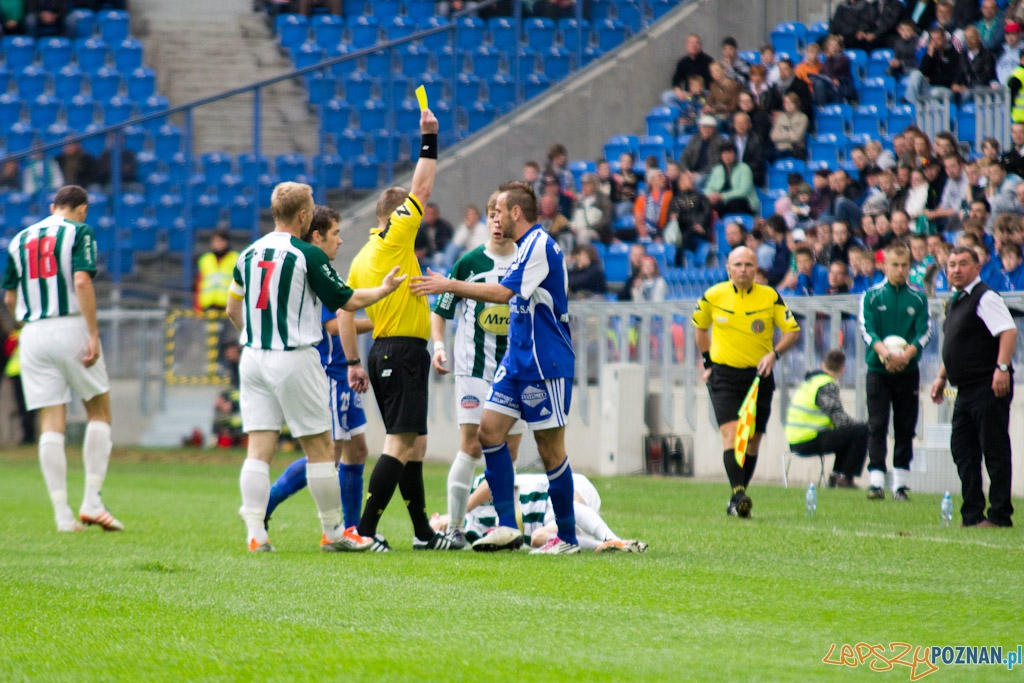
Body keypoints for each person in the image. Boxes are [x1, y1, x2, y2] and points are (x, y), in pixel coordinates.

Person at [227, 182, 404, 553]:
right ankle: (334, 532)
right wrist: (386, 290)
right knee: (322, 448)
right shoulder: (306, 254)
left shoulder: (248, 253)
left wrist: (257, 337)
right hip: (293, 356)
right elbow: (349, 299)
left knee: (259, 449)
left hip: (253, 358)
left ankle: (256, 536)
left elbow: (232, 309)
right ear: (304, 215)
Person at [411, 182, 581, 554]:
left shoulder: (538, 246)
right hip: (516, 361)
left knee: (550, 450)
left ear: (515, 213)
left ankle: (566, 537)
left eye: (499, 211)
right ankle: (506, 525)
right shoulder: (522, 248)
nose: (495, 218)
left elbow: (504, 294)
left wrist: (449, 284)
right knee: (487, 433)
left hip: (544, 360)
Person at [339, 109, 453, 552]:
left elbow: (347, 311)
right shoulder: (394, 240)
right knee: (399, 442)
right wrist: (429, 139)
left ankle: (423, 532)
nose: (417, 213)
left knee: (417, 445)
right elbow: (422, 187)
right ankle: (363, 530)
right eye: (410, 211)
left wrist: (353, 360)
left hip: (387, 352)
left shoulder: (363, 255)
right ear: (396, 214)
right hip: (401, 352)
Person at [1, 185, 120, 533]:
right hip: (70, 325)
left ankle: (61, 515)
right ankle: (93, 501)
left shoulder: (19, 239)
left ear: (53, 206)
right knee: (99, 410)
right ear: (82, 209)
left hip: (33, 332)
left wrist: (28, 326)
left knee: (51, 419)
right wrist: (93, 333)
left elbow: (9, 298)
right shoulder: (79, 232)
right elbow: (82, 281)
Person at [261, 206, 375, 531]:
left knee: (356, 448)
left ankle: (354, 529)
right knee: (329, 453)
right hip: (332, 373)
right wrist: (382, 323)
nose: (340, 241)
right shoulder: (313, 267)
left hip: (341, 373)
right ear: (316, 235)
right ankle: (265, 504)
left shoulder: (321, 266)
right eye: (335, 234)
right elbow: (336, 323)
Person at [430, 193, 527, 549]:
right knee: (472, 446)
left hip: (516, 371)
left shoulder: (526, 261)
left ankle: (506, 526)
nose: (497, 222)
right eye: (492, 215)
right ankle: (455, 526)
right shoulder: (469, 262)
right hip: (474, 368)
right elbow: (440, 310)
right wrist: (438, 346)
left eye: (502, 215)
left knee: (509, 453)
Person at [693, 246, 801, 517]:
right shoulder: (712, 295)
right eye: (738, 265)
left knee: (752, 440)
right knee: (731, 434)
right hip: (724, 375)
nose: (743, 270)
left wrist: (774, 354)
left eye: (749, 265)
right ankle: (739, 494)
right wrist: (708, 363)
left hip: (759, 376)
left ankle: (736, 497)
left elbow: (792, 331)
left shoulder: (770, 296)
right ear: (728, 269)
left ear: (756, 269)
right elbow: (700, 329)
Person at [930, 246, 1016, 527]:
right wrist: (942, 376)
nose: (955, 269)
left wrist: (1001, 368)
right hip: (964, 388)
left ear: (976, 267)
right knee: (963, 451)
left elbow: (1008, 331)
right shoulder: (956, 300)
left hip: (988, 385)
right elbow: (954, 344)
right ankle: (972, 515)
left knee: (994, 450)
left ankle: (1000, 515)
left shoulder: (985, 297)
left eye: (962, 263)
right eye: (951, 264)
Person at [858, 241, 932, 502]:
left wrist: (905, 356)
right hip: (878, 369)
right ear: (884, 265)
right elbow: (867, 330)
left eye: (904, 265)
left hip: (907, 370)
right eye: (895, 265)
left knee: (905, 425)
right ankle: (876, 481)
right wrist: (887, 354)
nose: (900, 270)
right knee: (877, 423)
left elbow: (924, 332)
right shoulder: (872, 296)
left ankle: (899, 483)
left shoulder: (918, 297)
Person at [430, 472, 647, 553]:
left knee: (570, 508)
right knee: (538, 538)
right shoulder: (470, 537)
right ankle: (609, 546)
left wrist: (454, 515)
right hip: (545, 521)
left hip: (557, 490)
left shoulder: (471, 497)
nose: (437, 531)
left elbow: (494, 480)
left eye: (432, 527)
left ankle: (614, 538)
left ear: (435, 516)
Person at [786, 350, 869, 488]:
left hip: (795, 439)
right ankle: (844, 479)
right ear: (842, 368)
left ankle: (837, 477)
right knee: (861, 431)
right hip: (809, 439)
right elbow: (840, 420)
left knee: (847, 434)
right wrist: (865, 425)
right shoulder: (826, 385)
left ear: (823, 365)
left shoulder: (809, 382)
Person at [704, 141, 759, 216]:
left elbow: (744, 191)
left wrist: (722, 196)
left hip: (742, 201)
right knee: (702, 203)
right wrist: (711, 196)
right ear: (721, 155)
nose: (727, 156)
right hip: (720, 202)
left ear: (735, 155)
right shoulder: (717, 169)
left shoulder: (744, 168)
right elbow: (708, 187)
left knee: (734, 203)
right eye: (724, 153)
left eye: (730, 153)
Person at [664, 34, 714, 107]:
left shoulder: (708, 61)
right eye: (691, 43)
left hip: (703, 94)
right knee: (666, 96)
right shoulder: (682, 62)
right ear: (687, 46)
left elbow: (712, 83)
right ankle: (682, 114)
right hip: (688, 94)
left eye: (696, 43)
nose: (693, 45)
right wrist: (678, 91)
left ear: (700, 45)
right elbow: (676, 80)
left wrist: (697, 92)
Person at [194, 229, 238, 312]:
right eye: (215, 241)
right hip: (208, 305)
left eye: (221, 241)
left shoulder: (235, 258)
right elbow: (199, 284)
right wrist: (198, 307)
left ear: (226, 242)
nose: (218, 244)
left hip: (228, 306)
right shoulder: (205, 259)